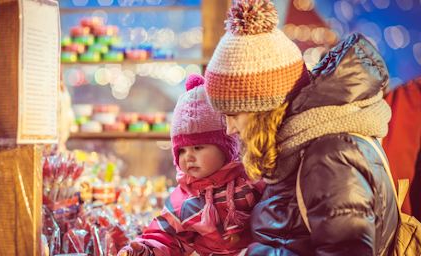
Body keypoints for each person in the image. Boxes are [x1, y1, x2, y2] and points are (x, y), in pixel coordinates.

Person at [203, 0, 399, 255]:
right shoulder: (297, 147)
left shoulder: (329, 157)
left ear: (265, 109)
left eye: (234, 114)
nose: (230, 129)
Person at [118, 74, 266, 256]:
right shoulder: (183, 199)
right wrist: (146, 250)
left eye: (198, 147)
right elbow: (167, 236)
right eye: (182, 151)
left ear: (226, 147)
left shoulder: (251, 178)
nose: (188, 157)